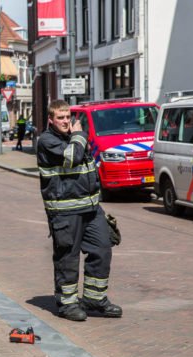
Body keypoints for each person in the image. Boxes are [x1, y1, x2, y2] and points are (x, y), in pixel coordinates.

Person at [36, 100, 122, 322]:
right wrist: (80, 135)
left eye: (68, 117)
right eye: (60, 118)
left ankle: (95, 299)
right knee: (68, 258)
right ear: (51, 120)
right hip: (65, 212)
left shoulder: (73, 139)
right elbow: (71, 157)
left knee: (103, 249)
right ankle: (67, 303)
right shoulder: (47, 141)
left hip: (91, 209)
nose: (65, 122)